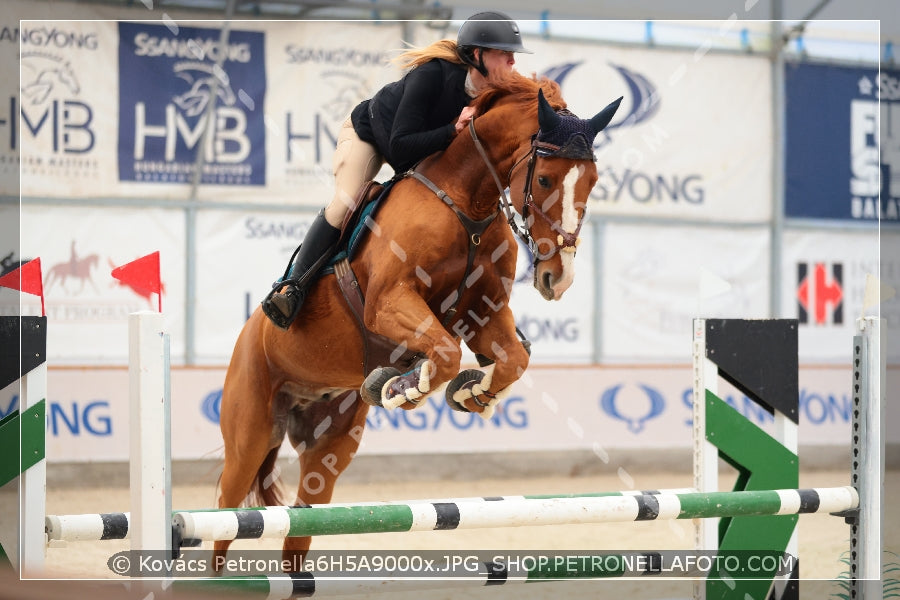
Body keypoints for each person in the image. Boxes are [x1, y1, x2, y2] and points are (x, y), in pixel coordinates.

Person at [262, 11, 531, 329]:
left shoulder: (495, 93)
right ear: (477, 55)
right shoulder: (431, 75)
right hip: (372, 137)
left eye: (513, 56)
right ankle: (291, 288)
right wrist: (451, 130)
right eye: (505, 54)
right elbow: (400, 146)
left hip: (421, 154)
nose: (513, 63)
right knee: (346, 202)